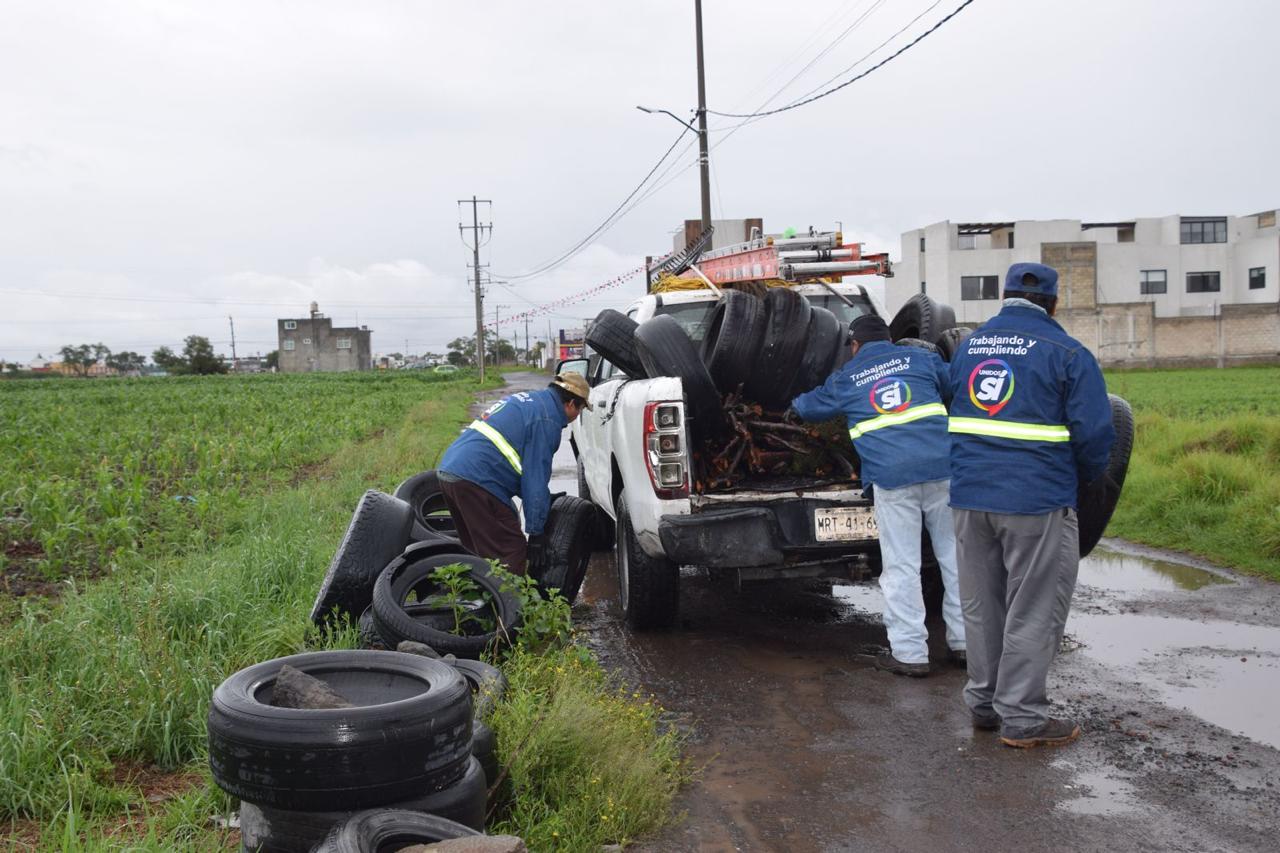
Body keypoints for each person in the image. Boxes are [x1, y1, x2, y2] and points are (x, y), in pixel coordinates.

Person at [947, 262, 1114, 748]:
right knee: (1033, 608)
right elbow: (1096, 436)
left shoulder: (969, 348)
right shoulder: (1068, 352)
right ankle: (1021, 718)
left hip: (969, 500)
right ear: (1054, 303)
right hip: (1036, 500)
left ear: (1003, 297)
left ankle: (983, 704)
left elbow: (950, 406)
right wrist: (1081, 482)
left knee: (981, 605)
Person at [790, 314, 966, 677]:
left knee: (903, 566)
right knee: (956, 559)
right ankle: (967, 645)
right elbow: (952, 386)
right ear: (889, 339)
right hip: (943, 470)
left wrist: (792, 405)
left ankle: (910, 654)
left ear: (855, 346)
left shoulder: (849, 376)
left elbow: (810, 407)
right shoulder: (922, 359)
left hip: (893, 478)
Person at [437, 372, 592, 575]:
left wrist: (543, 501)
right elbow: (535, 478)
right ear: (571, 404)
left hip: (451, 472)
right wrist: (536, 533)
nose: (577, 416)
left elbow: (519, 467)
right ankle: (511, 606)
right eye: (580, 409)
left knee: (478, 552)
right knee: (511, 549)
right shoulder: (547, 420)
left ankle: (480, 602)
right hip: (476, 481)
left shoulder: (533, 401)